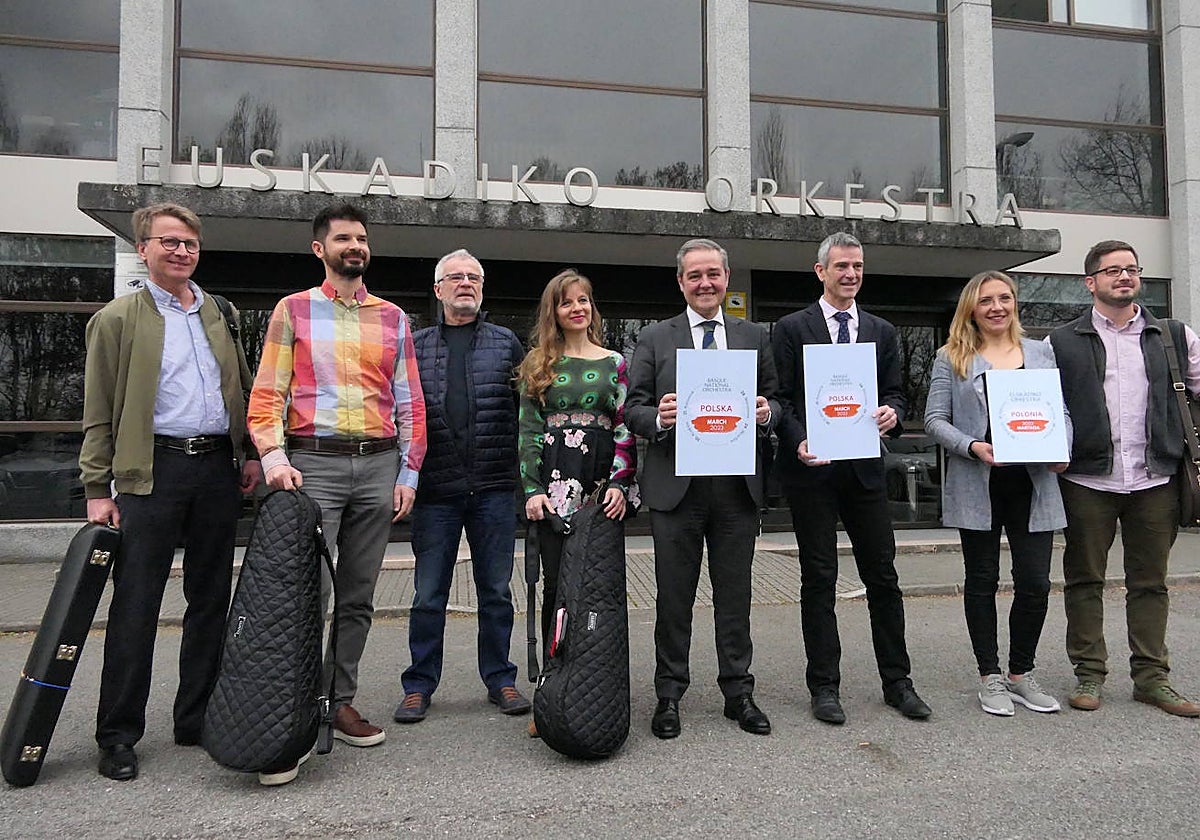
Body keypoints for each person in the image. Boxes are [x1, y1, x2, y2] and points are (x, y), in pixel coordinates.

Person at [80, 202, 262, 781]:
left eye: (189, 243)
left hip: (215, 470)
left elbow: (243, 388)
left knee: (210, 600)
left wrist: (251, 453)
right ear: (143, 250)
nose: (181, 251)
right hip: (151, 472)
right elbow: (98, 410)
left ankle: (196, 717)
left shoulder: (221, 312)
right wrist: (97, 486)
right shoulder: (117, 319)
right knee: (136, 605)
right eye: (168, 242)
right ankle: (117, 734)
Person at [247, 203, 427, 784]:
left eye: (362, 238)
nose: (356, 246)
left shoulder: (393, 317)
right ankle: (292, 714)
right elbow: (267, 394)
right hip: (312, 466)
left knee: (358, 596)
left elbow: (410, 402)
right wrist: (273, 458)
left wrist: (408, 474)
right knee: (305, 595)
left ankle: (338, 701)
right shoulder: (292, 310)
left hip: (378, 467)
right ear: (319, 248)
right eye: (344, 238)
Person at [771, 231, 931, 725]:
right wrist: (797, 438)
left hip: (865, 472)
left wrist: (892, 413)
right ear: (820, 271)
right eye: (841, 266)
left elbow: (897, 393)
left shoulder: (881, 331)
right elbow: (782, 398)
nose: (851, 274)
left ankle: (898, 683)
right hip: (813, 471)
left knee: (882, 577)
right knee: (819, 579)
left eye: (858, 266)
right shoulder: (791, 328)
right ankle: (824, 686)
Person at [626, 239, 778, 739]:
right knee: (674, 600)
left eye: (713, 273)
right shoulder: (654, 338)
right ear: (680, 282)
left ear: (727, 278)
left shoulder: (754, 336)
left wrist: (767, 414)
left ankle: (738, 693)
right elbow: (633, 409)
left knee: (735, 598)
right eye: (695, 275)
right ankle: (669, 694)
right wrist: (659, 417)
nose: (705, 283)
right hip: (677, 490)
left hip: (736, 489)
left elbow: (777, 400)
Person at [1049, 239, 1200, 717]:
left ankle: (1152, 678)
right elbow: (1042, 404)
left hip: (1156, 479)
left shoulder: (1173, 335)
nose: (1124, 276)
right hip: (1087, 479)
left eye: (1131, 269)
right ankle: (1089, 674)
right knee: (1083, 580)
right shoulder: (1060, 341)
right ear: (1090, 282)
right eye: (1113, 270)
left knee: (1151, 583)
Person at [394, 248, 530, 724]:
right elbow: (401, 411)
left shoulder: (506, 343)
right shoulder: (414, 345)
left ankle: (501, 679)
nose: (465, 283)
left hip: (493, 488)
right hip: (435, 491)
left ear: (483, 288)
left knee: (496, 592)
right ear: (438, 290)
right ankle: (418, 686)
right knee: (428, 596)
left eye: (474, 277)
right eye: (455, 277)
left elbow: (527, 412)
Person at [925, 270, 1068, 716]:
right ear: (971, 308)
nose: (996, 307)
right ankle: (989, 675)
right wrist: (972, 446)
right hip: (979, 484)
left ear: (1014, 303)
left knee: (1036, 583)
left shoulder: (1041, 352)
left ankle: (1020, 673)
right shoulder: (951, 356)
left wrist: (1062, 448)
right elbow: (934, 420)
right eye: (986, 300)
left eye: (1004, 298)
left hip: (1034, 484)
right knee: (982, 580)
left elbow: (1060, 411)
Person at [517, 269, 637, 679]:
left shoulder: (614, 362)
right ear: (553, 312)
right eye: (566, 302)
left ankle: (597, 676)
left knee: (599, 584)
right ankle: (555, 679)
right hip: (553, 485)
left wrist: (620, 483)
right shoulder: (537, 363)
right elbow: (528, 430)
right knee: (556, 584)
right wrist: (532, 490)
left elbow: (624, 427)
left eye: (582, 299)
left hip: (601, 487)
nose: (576, 308)